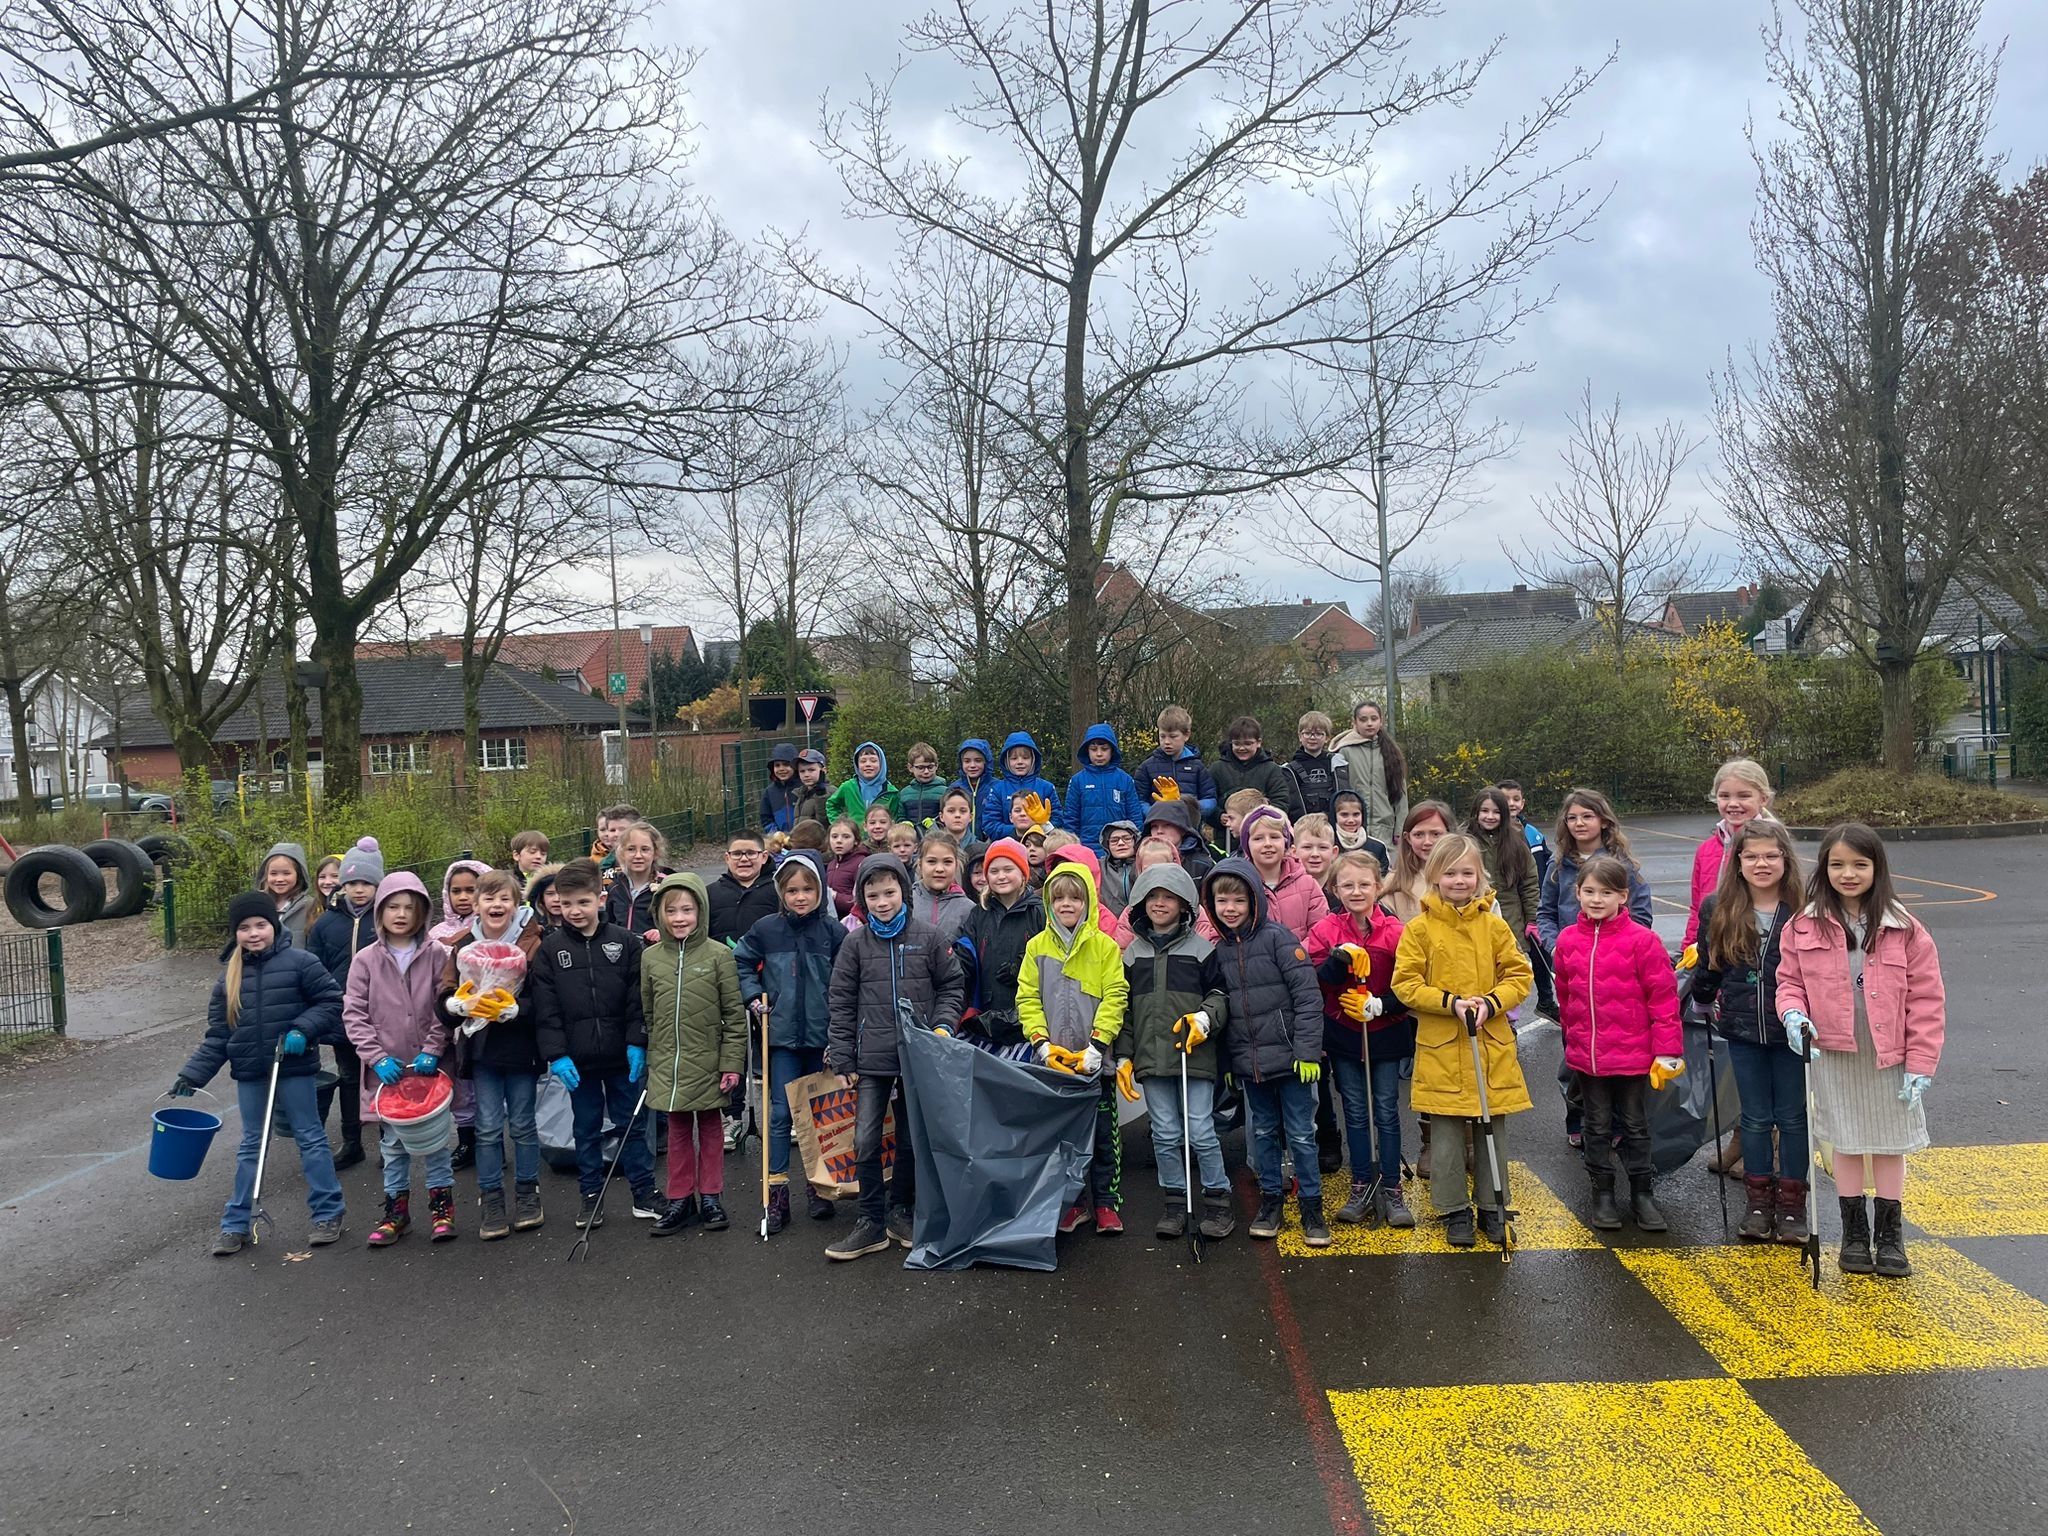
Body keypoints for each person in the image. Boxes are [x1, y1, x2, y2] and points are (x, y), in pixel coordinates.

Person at [1776, 822, 1946, 1280]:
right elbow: (1789, 983)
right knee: (1846, 1142)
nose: (1848, 873)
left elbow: (1927, 999)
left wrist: (1921, 1062)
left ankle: (1889, 1235)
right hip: (1833, 1050)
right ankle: (1853, 1233)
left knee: (1890, 1145)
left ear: (1877, 868)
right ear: (1823, 868)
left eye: (1859, 864)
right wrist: (1793, 1015)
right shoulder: (1802, 924)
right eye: (1837, 864)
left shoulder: (1905, 928)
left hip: (1889, 1055)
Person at [170, 891, 346, 1255]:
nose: (254, 933)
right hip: (251, 1072)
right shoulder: (228, 980)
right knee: (252, 1144)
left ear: (274, 925)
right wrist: (192, 1075)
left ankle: (327, 1213)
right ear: (235, 933)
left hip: (294, 1067)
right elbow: (219, 1036)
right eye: (245, 927)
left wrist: (302, 1029)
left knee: (310, 1138)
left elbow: (331, 1000)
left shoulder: (301, 962)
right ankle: (236, 1221)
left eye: (261, 925)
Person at [1391, 834, 1534, 1248]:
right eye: (1450, 873)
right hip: (1441, 1048)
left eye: (1467, 873)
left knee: (1493, 1128)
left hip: (1489, 1045)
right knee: (1448, 1135)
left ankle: (1493, 1205)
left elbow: (1518, 975)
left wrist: (1492, 1003)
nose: (1459, 880)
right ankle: (1454, 1210)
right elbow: (1406, 984)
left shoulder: (1494, 924)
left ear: (1479, 876)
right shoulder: (1419, 929)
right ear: (1435, 875)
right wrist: (1449, 1003)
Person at [824, 854, 965, 1260]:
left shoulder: (930, 937)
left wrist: (941, 1028)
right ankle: (869, 1220)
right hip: (870, 1059)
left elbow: (952, 986)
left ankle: (901, 1209)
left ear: (904, 891)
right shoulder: (854, 943)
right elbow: (841, 1001)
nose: (882, 901)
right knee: (865, 1139)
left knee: (909, 1140)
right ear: (862, 899)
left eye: (889, 892)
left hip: (917, 1056)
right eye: (872, 895)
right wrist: (845, 1058)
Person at [528, 859, 662, 1230]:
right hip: (579, 1061)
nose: (575, 910)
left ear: (599, 898)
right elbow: (547, 1010)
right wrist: (556, 1054)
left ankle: (644, 1193)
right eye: (567, 903)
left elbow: (638, 998)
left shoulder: (624, 942)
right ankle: (590, 1197)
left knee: (631, 1126)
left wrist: (638, 1042)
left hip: (622, 1056)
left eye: (583, 902)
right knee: (585, 1130)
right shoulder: (551, 950)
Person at [1553, 855, 1683, 1232]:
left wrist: (1668, 1049)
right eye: (1589, 891)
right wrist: (1573, 1035)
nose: (1596, 899)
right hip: (1588, 1056)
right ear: (1577, 892)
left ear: (1623, 896)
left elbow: (1663, 998)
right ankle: (1603, 1194)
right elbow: (1565, 994)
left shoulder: (1643, 941)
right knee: (1595, 1125)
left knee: (1635, 1124)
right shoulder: (1567, 940)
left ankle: (1642, 1194)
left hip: (1633, 1056)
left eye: (1607, 892)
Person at [1693, 820, 1808, 1243]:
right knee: (1756, 1118)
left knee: (1794, 1119)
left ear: (1785, 860)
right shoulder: (1719, 907)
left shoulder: (1805, 906)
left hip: (1793, 1031)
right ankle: (1758, 1203)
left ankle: (1793, 1205)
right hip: (1742, 1029)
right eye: (1752, 856)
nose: (1762, 864)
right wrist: (1702, 999)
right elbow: (1710, 962)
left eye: (1771, 856)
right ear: (1737, 862)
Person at [1204, 857, 1328, 1245]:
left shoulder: (1279, 939)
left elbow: (1308, 998)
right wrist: (1227, 1062)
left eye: (1239, 900)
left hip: (1292, 1061)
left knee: (1303, 1134)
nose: (1231, 909)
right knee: (1264, 1133)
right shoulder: (1218, 951)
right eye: (1222, 901)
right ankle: (1271, 1201)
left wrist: (1308, 1052)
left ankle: (1312, 1208)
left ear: (1254, 900)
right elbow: (1221, 1010)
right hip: (1250, 1065)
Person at [1114, 864, 1234, 1242]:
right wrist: (1124, 1055)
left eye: (1168, 897)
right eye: (1153, 897)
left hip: (1194, 1057)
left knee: (1200, 1129)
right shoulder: (1132, 954)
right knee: (1164, 1133)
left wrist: (1204, 1019)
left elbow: (1220, 995)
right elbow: (1126, 1008)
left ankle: (1217, 1199)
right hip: (1151, 1059)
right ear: (1141, 904)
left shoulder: (1203, 950)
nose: (1160, 904)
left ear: (1184, 905)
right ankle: (1174, 1201)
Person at [340, 873, 457, 1245]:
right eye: (393, 906)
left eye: (410, 907)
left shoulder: (438, 954)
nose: (401, 914)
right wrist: (375, 1057)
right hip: (387, 1076)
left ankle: (442, 1209)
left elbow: (446, 1006)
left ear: (423, 912)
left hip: (428, 1073)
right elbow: (353, 1014)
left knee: (435, 1142)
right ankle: (396, 1212)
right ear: (380, 912)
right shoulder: (365, 960)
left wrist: (433, 1049)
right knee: (392, 1146)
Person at [733, 849, 846, 1233]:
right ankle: (776, 1192)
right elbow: (742, 960)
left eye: (808, 889)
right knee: (780, 1115)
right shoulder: (766, 928)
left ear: (820, 891)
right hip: (779, 1037)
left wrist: (842, 1028)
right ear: (781, 891)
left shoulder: (833, 932)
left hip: (822, 1037)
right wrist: (752, 995)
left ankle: (819, 1187)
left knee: (819, 1115)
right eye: (792, 890)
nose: (800, 897)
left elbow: (848, 979)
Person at [1019, 863, 1131, 1235]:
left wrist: (1099, 1044)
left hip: (1095, 1061)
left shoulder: (1104, 947)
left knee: (1102, 1136)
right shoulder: (1036, 947)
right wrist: (1041, 1042)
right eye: (1059, 897)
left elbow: (1116, 995)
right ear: (1049, 902)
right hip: (1055, 1062)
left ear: (1088, 901)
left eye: (1075, 897)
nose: (1067, 904)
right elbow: (1028, 997)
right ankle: (1073, 1203)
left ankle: (1106, 1204)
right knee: (1062, 1139)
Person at [1304, 851, 1414, 1227]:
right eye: (1347, 884)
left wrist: (1382, 1005)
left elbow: (1410, 985)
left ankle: (1392, 1187)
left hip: (1385, 1031)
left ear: (1378, 886)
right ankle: (1361, 1183)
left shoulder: (1398, 931)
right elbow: (1317, 978)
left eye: (1364, 884)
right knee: (1354, 1109)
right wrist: (1337, 959)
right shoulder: (1324, 930)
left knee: (1385, 1109)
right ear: (1334, 888)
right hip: (1344, 1033)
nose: (1356, 891)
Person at [438, 869, 545, 1239]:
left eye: (505, 899)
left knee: (524, 1124)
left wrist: (520, 1010)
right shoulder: (463, 944)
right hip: (481, 1051)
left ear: (517, 906)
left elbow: (545, 999)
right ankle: (492, 1197)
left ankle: (528, 1194)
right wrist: (454, 1006)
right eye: (489, 899)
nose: (496, 905)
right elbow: (446, 992)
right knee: (485, 1128)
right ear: (477, 906)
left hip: (521, 1049)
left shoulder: (534, 942)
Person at [641, 872, 747, 1236]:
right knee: (677, 1131)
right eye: (671, 911)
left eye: (687, 909)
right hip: (670, 1063)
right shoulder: (651, 958)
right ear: (660, 915)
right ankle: (679, 1198)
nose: (680, 917)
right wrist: (654, 1058)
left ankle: (711, 1196)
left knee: (712, 1128)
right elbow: (651, 1014)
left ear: (701, 911)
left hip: (710, 1062)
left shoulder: (719, 955)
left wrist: (732, 1063)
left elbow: (735, 1016)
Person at [306, 836, 383, 1169]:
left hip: (382, 1013)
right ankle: (352, 1142)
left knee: (383, 1078)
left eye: (366, 883)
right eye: (352, 882)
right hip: (342, 1015)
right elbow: (313, 967)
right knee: (349, 1078)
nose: (359, 889)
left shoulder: (386, 919)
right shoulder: (325, 924)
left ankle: (390, 1143)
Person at [1684, 757, 1777, 950]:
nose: (1733, 803)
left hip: (1755, 944)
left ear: (1763, 799)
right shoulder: (1706, 849)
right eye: (1724, 796)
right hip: (1712, 944)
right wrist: (1689, 945)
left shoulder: (1775, 845)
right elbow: (1696, 907)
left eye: (1743, 796)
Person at [960, 839, 1043, 1054]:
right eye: (994, 871)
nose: (1001, 876)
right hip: (988, 1011)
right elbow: (967, 953)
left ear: (1023, 873)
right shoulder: (978, 914)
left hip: (1028, 1016)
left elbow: (1049, 954)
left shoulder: (1039, 912)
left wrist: (1021, 966)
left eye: (1008, 869)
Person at [1467, 787, 1540, 980]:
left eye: (1496, 812)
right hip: (1474, 918)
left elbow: (1529, 882)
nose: (1490, 816)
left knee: (1509, 976)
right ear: (1476, 812)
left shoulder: (1516, 841)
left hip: (1510, 919)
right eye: (1485, 811)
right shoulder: (1465, 841)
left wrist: (1532, 919)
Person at [1329, 700, 1407, 847]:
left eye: (1374, 718)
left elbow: (1401, 795)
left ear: (1381, 721)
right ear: (1355, 722)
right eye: (1363, 720)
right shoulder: (1344, 751)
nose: (1369, 723)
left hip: (1385, 828)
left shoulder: (1391, 753)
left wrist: (1400, 829)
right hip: (1352, 827)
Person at [1064, 722, 1142, 856]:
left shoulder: (1125, 780)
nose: (1099, 754)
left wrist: (1135, 845)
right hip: (1087, 847)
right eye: (1094, 749)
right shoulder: (1078, 781)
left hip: (1119, 847)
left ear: (1112, 750)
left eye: (1104, 749)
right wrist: (1073, 847)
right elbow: (1071, 818)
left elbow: (1135, 816)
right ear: (1087, 751)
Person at [1134, 705, 1219, 827]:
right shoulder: (1146, 767)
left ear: (1186, 735)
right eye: (1162, 736)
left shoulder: (1197, 767)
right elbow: (1139, 801)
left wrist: (1187, 808)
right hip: (1159, 829)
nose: (1167, 742)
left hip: (1190, 829)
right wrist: (1159, 813)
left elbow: (1210, 800)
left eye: (1173, 736)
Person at [1211, 715, 1304, 823]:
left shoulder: (1271, 769)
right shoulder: (1217, 769)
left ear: (1258, 742)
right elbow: (1209, 800)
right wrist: (1219, 816)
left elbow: (1281, 802)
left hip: (1262, 831)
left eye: (1248, 743)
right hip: (1226, 835)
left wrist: (1258, 818)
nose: (1242, 748)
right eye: (1237, 744)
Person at [979, 731, 1063, 841]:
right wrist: (1017, 830)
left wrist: (1036, 829)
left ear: (1033, 759)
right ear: (1006, 761)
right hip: (1007, 847)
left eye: (1025, 758)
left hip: (1040, 847)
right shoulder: (998, 789)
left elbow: (1058, 821)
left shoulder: (1046, 788)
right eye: (1014, 758)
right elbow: (990, 824)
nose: (1020, 762)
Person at [1382, 801, 1454, 922]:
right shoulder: (1395, 882)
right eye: (1419, 835)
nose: (1427, 842)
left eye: (1435, 834)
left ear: (1449, 834)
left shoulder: (1465, 877)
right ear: (1408, 838)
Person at [708, 828, 779, 944]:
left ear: (764, 857)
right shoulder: (710, 893)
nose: (744, 859)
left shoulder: (779, 890)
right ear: (727, 858)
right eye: (736, 854)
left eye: (751, 853)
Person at [602, 820, 669, 942]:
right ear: (622, 853)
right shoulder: (614, 887)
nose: (638, 855)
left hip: (653, 954)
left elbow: (678, 923)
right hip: (621, 954)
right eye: (631, 849)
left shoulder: (667, 887)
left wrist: (663, 933)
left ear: (656, 853)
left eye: (645, 849)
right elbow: (608, 924)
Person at [910, 831, 976, 948]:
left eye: (947, 862)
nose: (939, 869)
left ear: (956, 865)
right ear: (920, 864)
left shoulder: (968, 909)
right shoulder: (907, 902)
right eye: (931, 861)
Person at [255, 841, 315, 948]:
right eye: (273, 873)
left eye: (286, 873)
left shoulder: (309, 905)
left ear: (299, 875)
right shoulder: (258, 904)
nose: (279, 879)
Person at [1286, 711, 1342, 820]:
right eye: (1307, 733)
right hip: (1304, 825)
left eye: (1319, 733)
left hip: (1332, 824)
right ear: (1300, 736)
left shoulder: (1335, 764)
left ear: (1327, 738)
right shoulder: (1290, 770)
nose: (1312, 737)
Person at [828, 740, 898, 826]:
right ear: (857, 765)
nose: (868, 764)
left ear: (882, 763)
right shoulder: (848, 787)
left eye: (873, 760)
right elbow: (831, 805)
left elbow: (895, 819)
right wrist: (839, 825)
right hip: (854, 838)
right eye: (863, 761)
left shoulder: (891, 793)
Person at [1142, 797, 1213, 882]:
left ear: (1182, 829)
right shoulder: (1139, 862)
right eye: (1154, 826)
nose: (1159, 831)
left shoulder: (1200, 864)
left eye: (1167, 825)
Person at [1330, 788, 1391, 872]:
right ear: (1334, 816)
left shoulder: (1378, 847)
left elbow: (1384, 879)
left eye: (1356, 814)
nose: (1351, 820)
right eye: (1344, 815)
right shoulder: (1327, 845)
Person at [430, 858, 490, 945]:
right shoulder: (435, 934)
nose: (462, 897)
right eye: (456, 891)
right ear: (447, 894)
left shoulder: (491, 930)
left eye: (470, 890)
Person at [894, 743, 949, 833]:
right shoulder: (904, 793)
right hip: (911, 839)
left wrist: (936, 823)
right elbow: (900, 817)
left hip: (936, 838)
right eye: (921, 768)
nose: (926, 772)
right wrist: (904, 824)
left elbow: (948, 816)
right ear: (910, 767)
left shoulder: (945, 791)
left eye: (930, 767)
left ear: (936, 766)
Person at [952, 738, 997, 837]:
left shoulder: (997, 787)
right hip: (960, 845)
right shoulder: (954, 789)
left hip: (989, 845)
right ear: (961, 763)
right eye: (967, 761)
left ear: (986, 762)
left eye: (978, 760)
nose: (972, 765)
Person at [823, 819, 867, 916]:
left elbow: (861, 902)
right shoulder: (831, 864)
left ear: (856, 841)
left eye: (846, 837)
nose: (839, 841)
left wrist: (835, 896)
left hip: (853, 922)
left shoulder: (861, 863)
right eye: (834, 837)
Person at [1097, 820, 1140, 916]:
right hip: (1109, 925)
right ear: (1107, 845)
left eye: (1127, 838)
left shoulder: (1144, 864)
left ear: (1136, 841)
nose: (1120, 843)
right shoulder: (1099, 867)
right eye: (1114, 840)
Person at [760, 742, 804, 835]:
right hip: (780, 841)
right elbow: (766, 818)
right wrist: (775, 834)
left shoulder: (804, 787)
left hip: (803, 840)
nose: (781, 769)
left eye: (786, 764)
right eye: (777, 765)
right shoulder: (769, 792)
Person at [1293, 813, 1337, 894]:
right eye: (1307, 847)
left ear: (1334, 852)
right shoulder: (1286, 891)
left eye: (1323, 847)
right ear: (1294, 852)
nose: (1315, 854)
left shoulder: (1343, 891)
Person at [1218, 787, 1267, 858]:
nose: (1227, 824)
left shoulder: (1263, 855)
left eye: (1231, 818)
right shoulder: (1236, 855)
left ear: (1249, 818)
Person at [593, 804, 642, 868]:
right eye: (612, 830)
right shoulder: (603, 867)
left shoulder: (653, 858)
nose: (616, 834)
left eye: (622, 829)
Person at [794, 749, 833, 828]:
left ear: (823, 771)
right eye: (802, 771)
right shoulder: (802, 793)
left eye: (811, 770)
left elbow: (824, 822)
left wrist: (821, 795)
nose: (806, 775)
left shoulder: (831, 792)